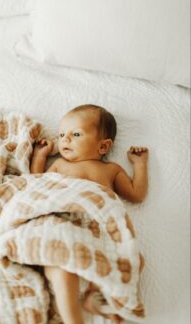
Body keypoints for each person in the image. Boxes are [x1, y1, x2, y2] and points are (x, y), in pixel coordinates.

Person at [30, 104, 149, 324]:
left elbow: (136, 194)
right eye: (62, 134)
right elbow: (36, 185)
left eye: (75, 134)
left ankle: (96, 295)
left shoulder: (111, 169)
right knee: (62, 270)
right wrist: (40, 155)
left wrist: (140, 165)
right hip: (64, 222)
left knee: (135, 260)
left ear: (103, 146)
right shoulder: (59, 164)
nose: (65, 140)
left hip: (99, 229)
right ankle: (73, 319)